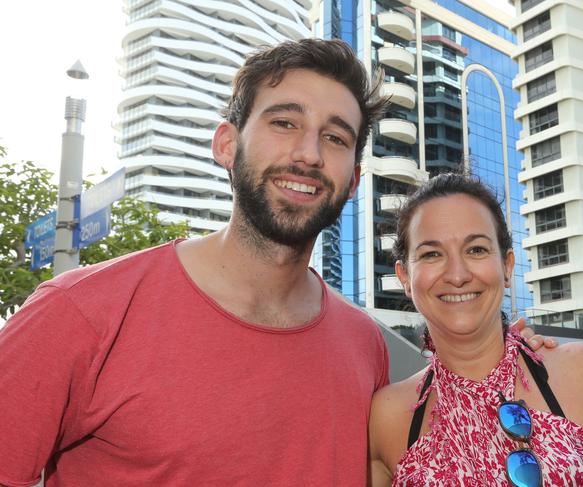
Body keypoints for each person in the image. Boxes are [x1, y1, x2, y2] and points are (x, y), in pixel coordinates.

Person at [0, 40, 549, 487]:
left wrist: (519, 355)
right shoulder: (80, 313)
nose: (309, 153)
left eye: (335, 137)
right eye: (284, 123)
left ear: (354, 181)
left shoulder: (365, 346)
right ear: (226, 145)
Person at [369, 173, 583, 486]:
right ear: (405, 277)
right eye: (431, 254)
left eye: (475, 249)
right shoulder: (386, 417)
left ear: (507, 266)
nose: (457, 274)